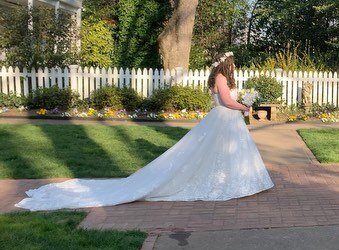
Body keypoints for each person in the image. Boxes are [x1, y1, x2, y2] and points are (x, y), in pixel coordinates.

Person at [16, 52, 274, 211]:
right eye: (233, 63)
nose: (235, 66)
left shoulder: (220, 78)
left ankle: (234, 179)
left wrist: (241, 108)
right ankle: (226, 182)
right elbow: (228, 101)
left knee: (224, 152)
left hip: (226, 121)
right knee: (212, 152)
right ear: (226, 64)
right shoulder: (221, 78)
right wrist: (245, 106)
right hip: (225, 118)